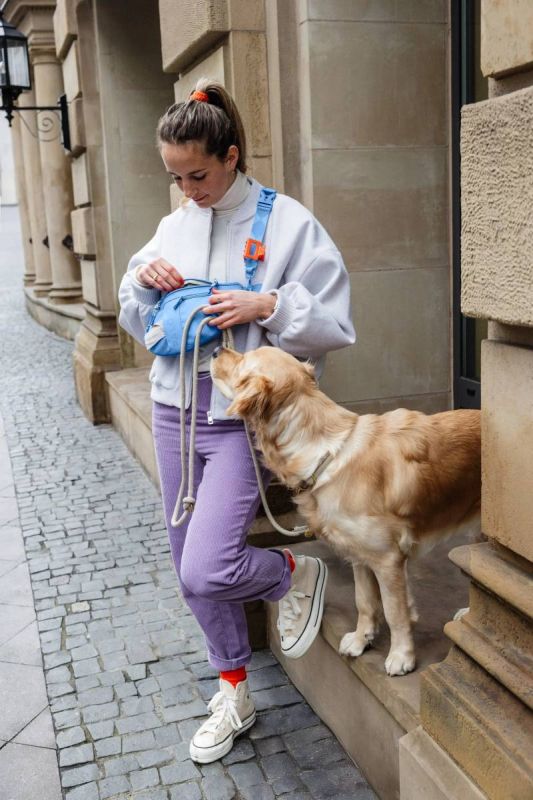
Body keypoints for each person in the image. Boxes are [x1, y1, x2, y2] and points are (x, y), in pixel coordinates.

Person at [118, 79, 355, 764]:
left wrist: (267, 306)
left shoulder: (287, 223)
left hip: (235, 424)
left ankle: (291, 573)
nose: (187, 188)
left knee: (206, 567)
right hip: (171, 412)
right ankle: (233, 691)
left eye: (197, 173)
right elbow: (140, 320)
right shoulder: (172, 226)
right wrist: (142, 285)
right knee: (184, 566)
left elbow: (335, 326)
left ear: (229, 155)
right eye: (175, 176)